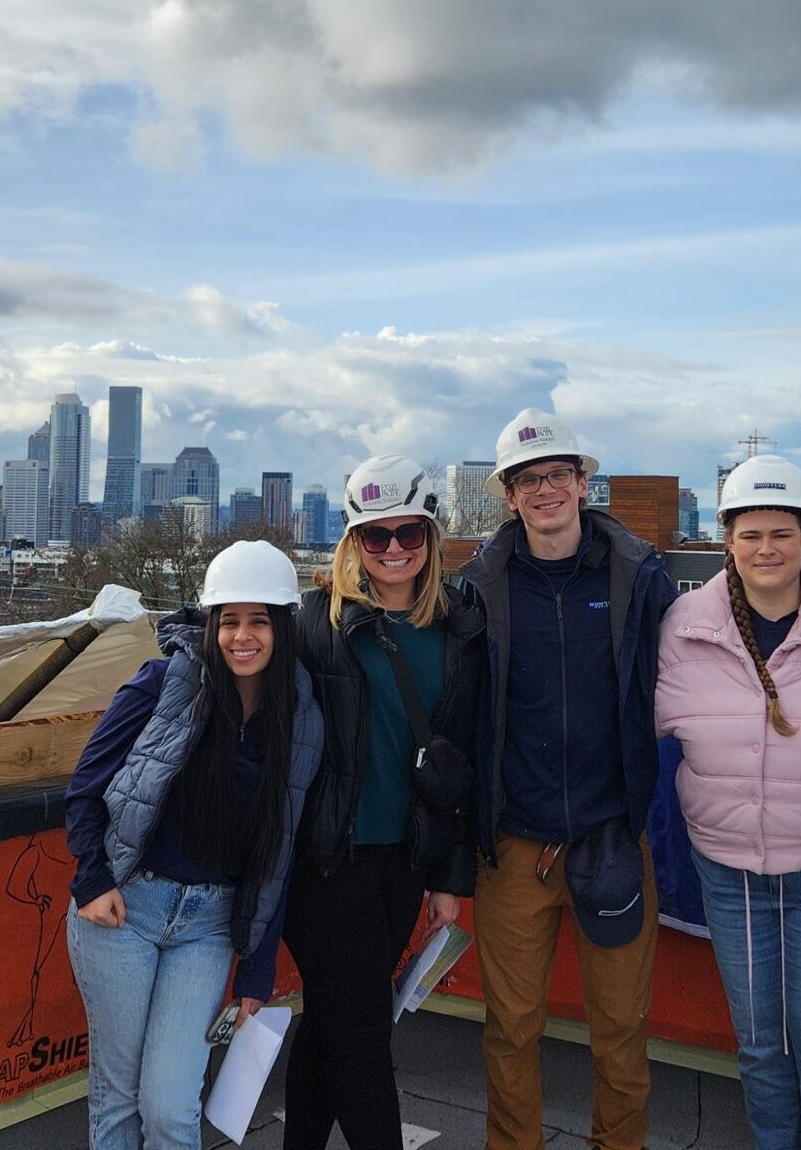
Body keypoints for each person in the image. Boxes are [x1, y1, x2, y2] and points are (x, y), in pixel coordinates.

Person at [459, 409, 677, 1150]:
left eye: (557, 473)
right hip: (514, 847)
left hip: (610, 838)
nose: (545, 488)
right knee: (510, 1030)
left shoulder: (637, 577)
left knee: (620, 1031)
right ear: (509, 496)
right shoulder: (478, 588)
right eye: (528, 478)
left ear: (584, 482)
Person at [63, 540, 325, 1150]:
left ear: (282, 627)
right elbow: (86, 787)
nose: (242, 636)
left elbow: (277, 853)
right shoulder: (162, 684)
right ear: (210, 624)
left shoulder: (300, 714)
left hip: (208, 925)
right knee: (120, 1097)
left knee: (172, 1107)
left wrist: (256, 974)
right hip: (127, 911)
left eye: (259, 620)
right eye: (228, 620)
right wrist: (93, 880)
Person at [655, 455, 801, 1150]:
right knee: (759, 1047)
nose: (766, 549)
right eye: (749, 533)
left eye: (781, 532)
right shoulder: (684, 623)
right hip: (731, 875)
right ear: (725, 537)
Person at [284, 453, 486, 1150]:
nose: (394, 548)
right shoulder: (313, 624)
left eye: (409, 532)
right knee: (363, 1025)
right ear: (352, 542)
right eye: (376, 535)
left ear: (432, 537)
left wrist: (446, 879)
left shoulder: (460, 628)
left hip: (403, 859)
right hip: (325, 860)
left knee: (332, 1017)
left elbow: (462, 762)